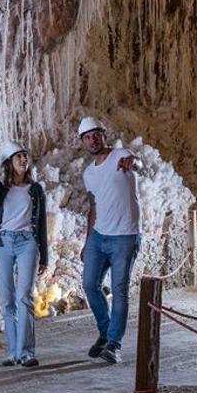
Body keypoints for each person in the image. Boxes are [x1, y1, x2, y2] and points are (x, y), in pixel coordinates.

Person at [77, 116, 141, 364]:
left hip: (124, 236)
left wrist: (133, 162)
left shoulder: (121, 155)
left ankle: (114, 343)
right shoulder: (88, 174)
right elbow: (93, 207)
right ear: (82, 142)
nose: (92, 140)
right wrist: (87, 241)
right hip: (99, 235)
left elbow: (136, 164)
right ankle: (105, 332)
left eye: (96, 134)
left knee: (119, 290)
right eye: (87, 137)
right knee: (90, 284)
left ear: (104, 135)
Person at [0, 141, 49, 367]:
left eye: (25, 156)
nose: (24, 160)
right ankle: (13, 351)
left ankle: (27, 352)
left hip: (27, 242)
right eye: (19, 156)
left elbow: (41, 225)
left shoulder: (36, 190)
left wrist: (45, 256)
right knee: (8, 299)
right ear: (9, 162)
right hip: (3, 243)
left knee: (25, 296)